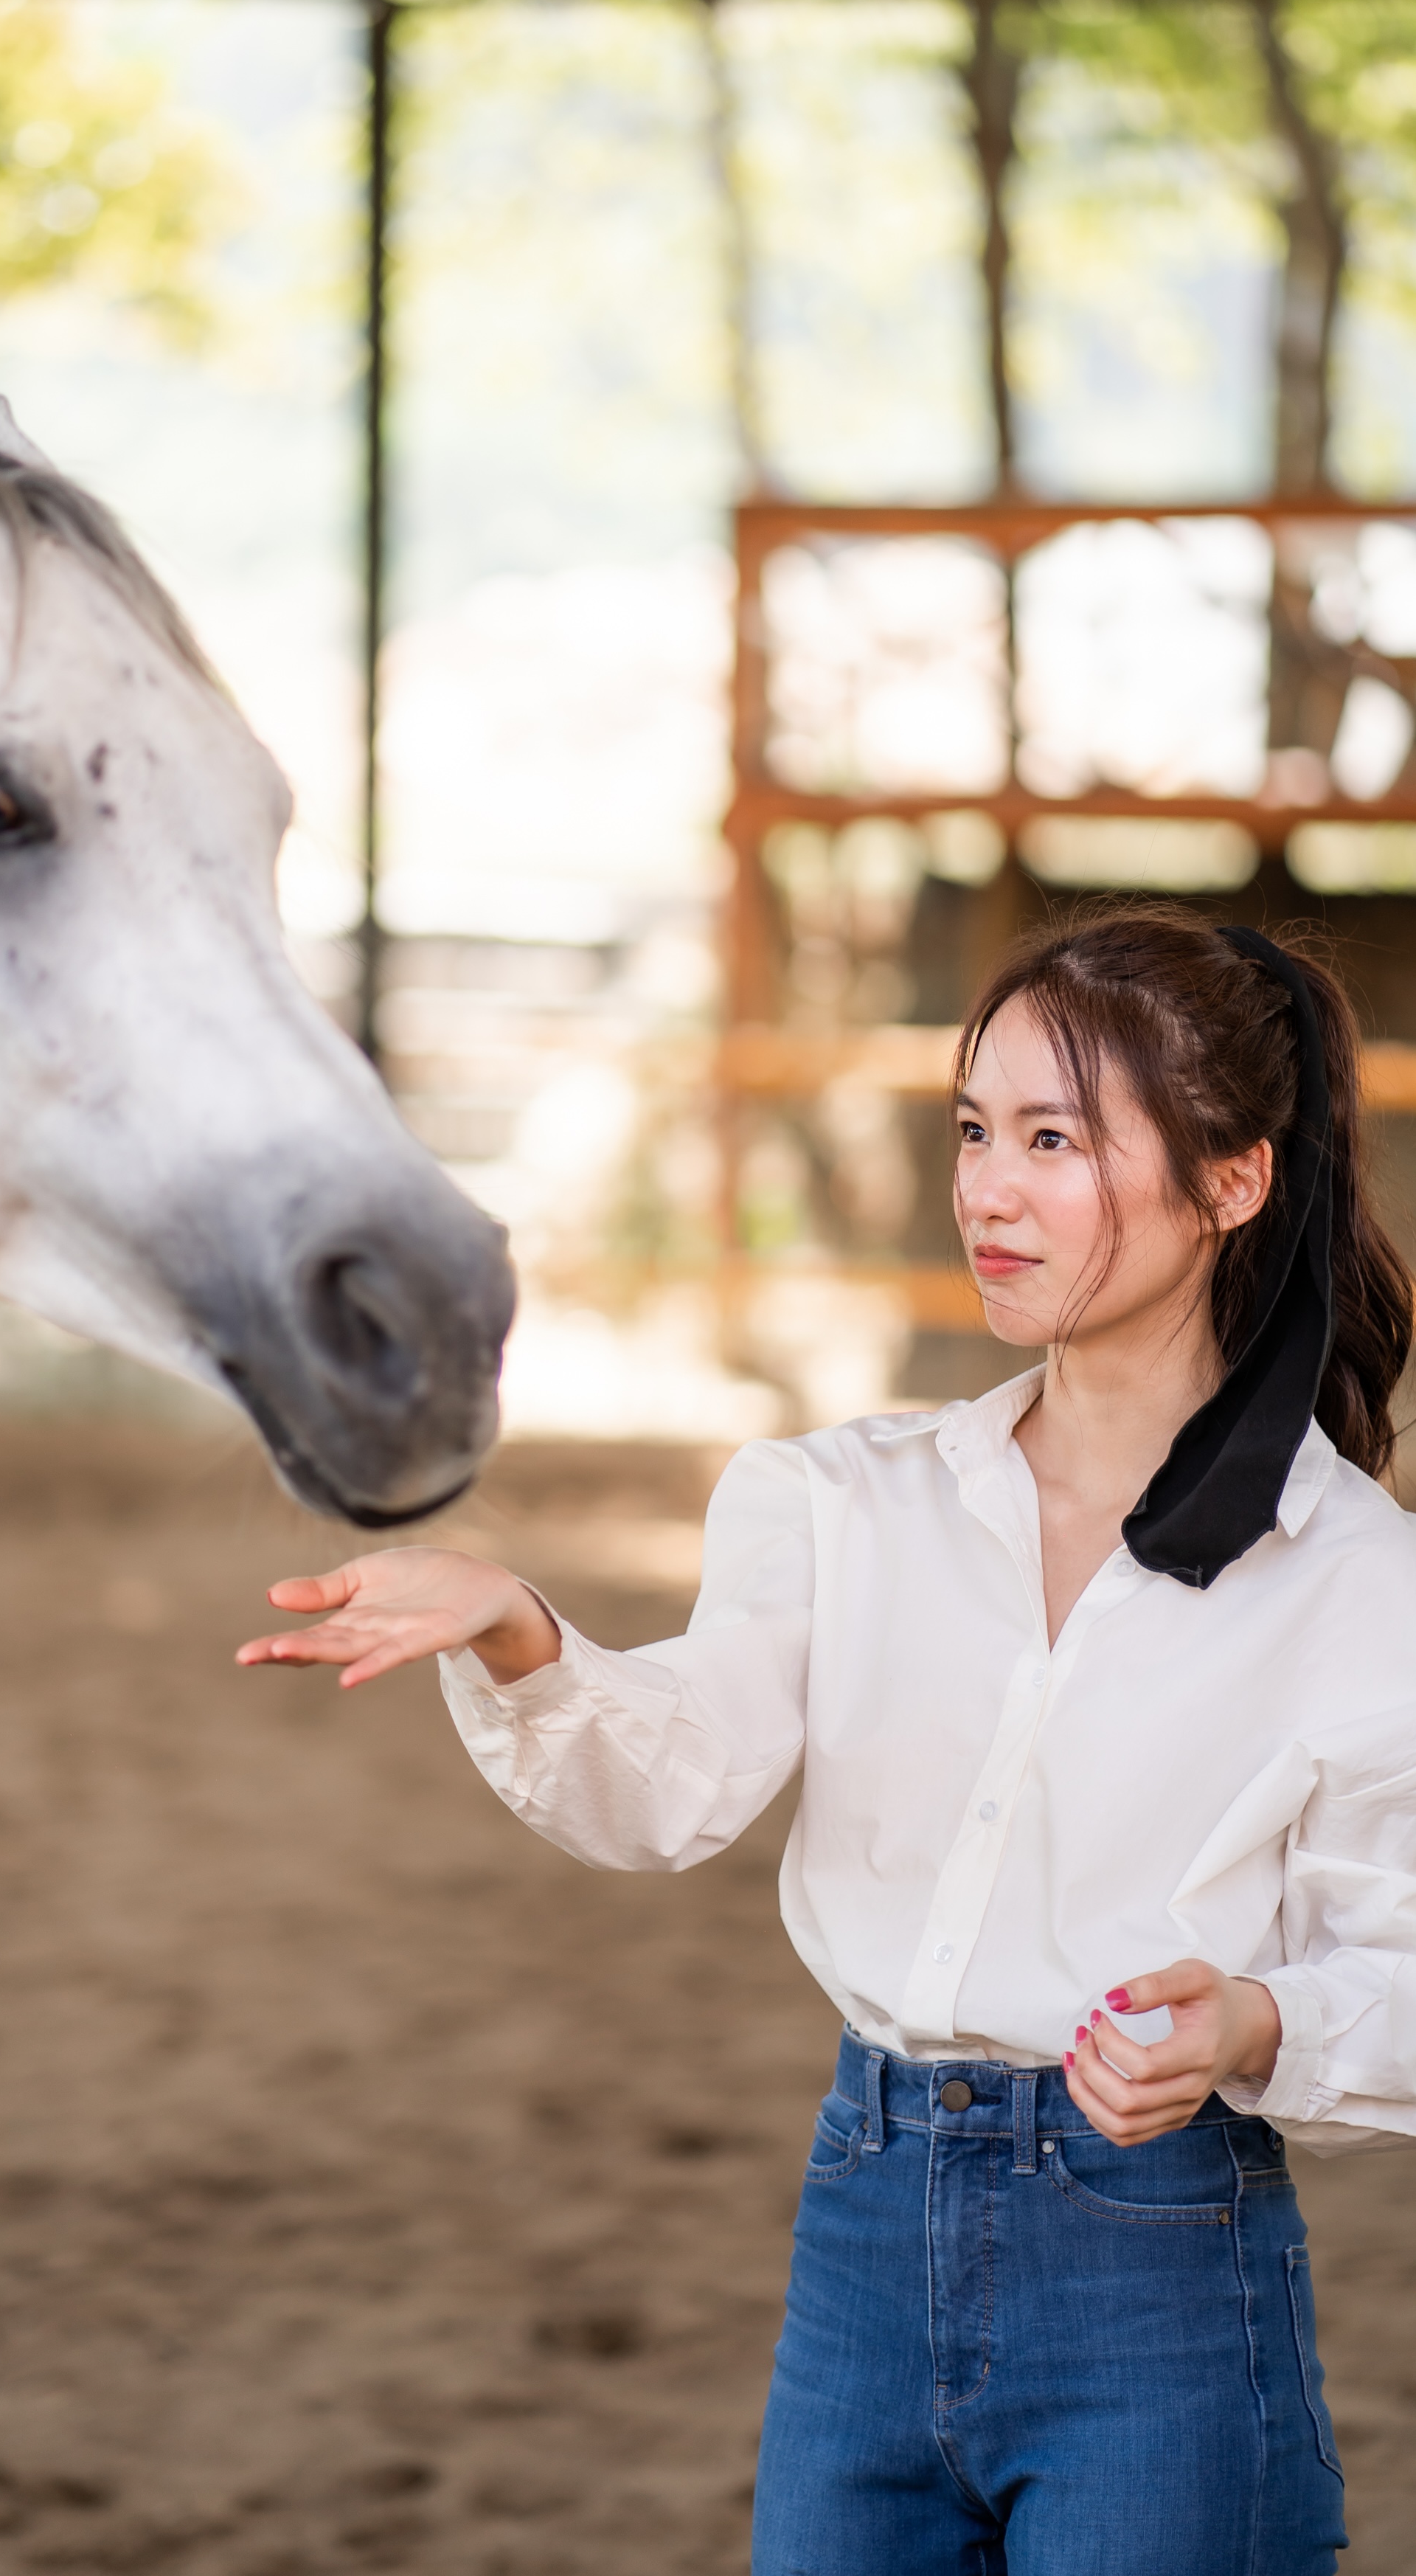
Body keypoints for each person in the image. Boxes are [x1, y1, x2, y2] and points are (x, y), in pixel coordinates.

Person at [237, 906, 1416, 2576]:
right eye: (971, 1128)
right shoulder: (838, 1501)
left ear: (1229, 1179)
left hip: (1158, 2273)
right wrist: (516, 1623)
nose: (984, 1190)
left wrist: (1246, 2015)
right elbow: (667, 1786)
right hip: (861, 2235)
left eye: (1053, 1140)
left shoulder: (1358, 1579)